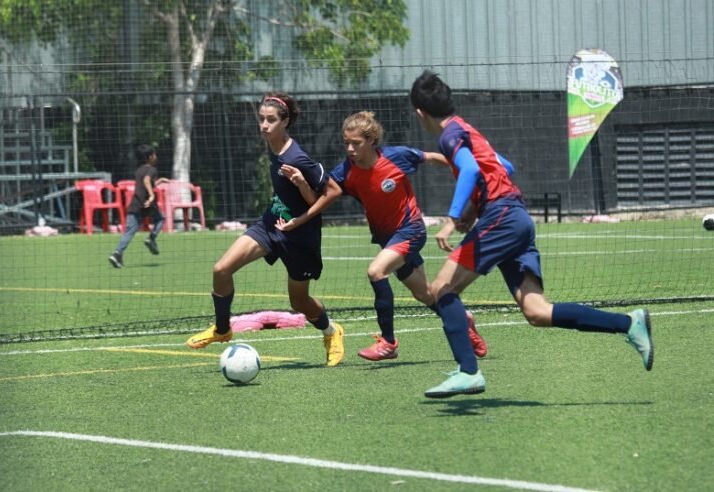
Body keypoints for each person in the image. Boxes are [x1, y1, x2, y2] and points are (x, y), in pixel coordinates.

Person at [409, 70, 654, 398]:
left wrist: (454, 218)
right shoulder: (467, 130)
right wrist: (472, 211)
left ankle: (468, 372)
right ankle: (629, 323)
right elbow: (503, 167)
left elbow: (470, 170)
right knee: (537, 311)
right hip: (516, 217)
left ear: (420, 113)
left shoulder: (448, 136)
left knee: (441, 288)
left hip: (503, 217)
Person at [185, 92, 345, 367]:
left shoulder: (299, 157)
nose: (264, 125)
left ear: (285, 122)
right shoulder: (273, 146)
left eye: (271, 120)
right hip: (272, 224)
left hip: (300, 237)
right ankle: (222, 329)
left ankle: (332, 332)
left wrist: (302, 194)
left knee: (299, 302)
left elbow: (332, 192)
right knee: (221, 270)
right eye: (261, 119)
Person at [324, 111, 487, 361]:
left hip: (411, 230)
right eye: (346, 143)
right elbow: (324, 190)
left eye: (355, 143)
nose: (350, 148)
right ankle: (464, 321)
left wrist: (468, 169)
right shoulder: (345, 171)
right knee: (424, 294)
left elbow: (431, 157)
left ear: (371, 141)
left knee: (376, 272)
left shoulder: (395, 156)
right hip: (388, 238)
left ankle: (388, 342)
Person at [109, 144, 169, 268]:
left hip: (135, 205)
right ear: (150, 157)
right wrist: (152, 196)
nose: (156, 157)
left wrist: (159, 181)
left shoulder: (139, 170)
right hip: (147, 204)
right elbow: (147, 181)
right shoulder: (152, 170)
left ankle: (117, 254)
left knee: (129, 231)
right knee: (161, 219)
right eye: (154, 154)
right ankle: (151, 239)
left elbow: (146, 183)